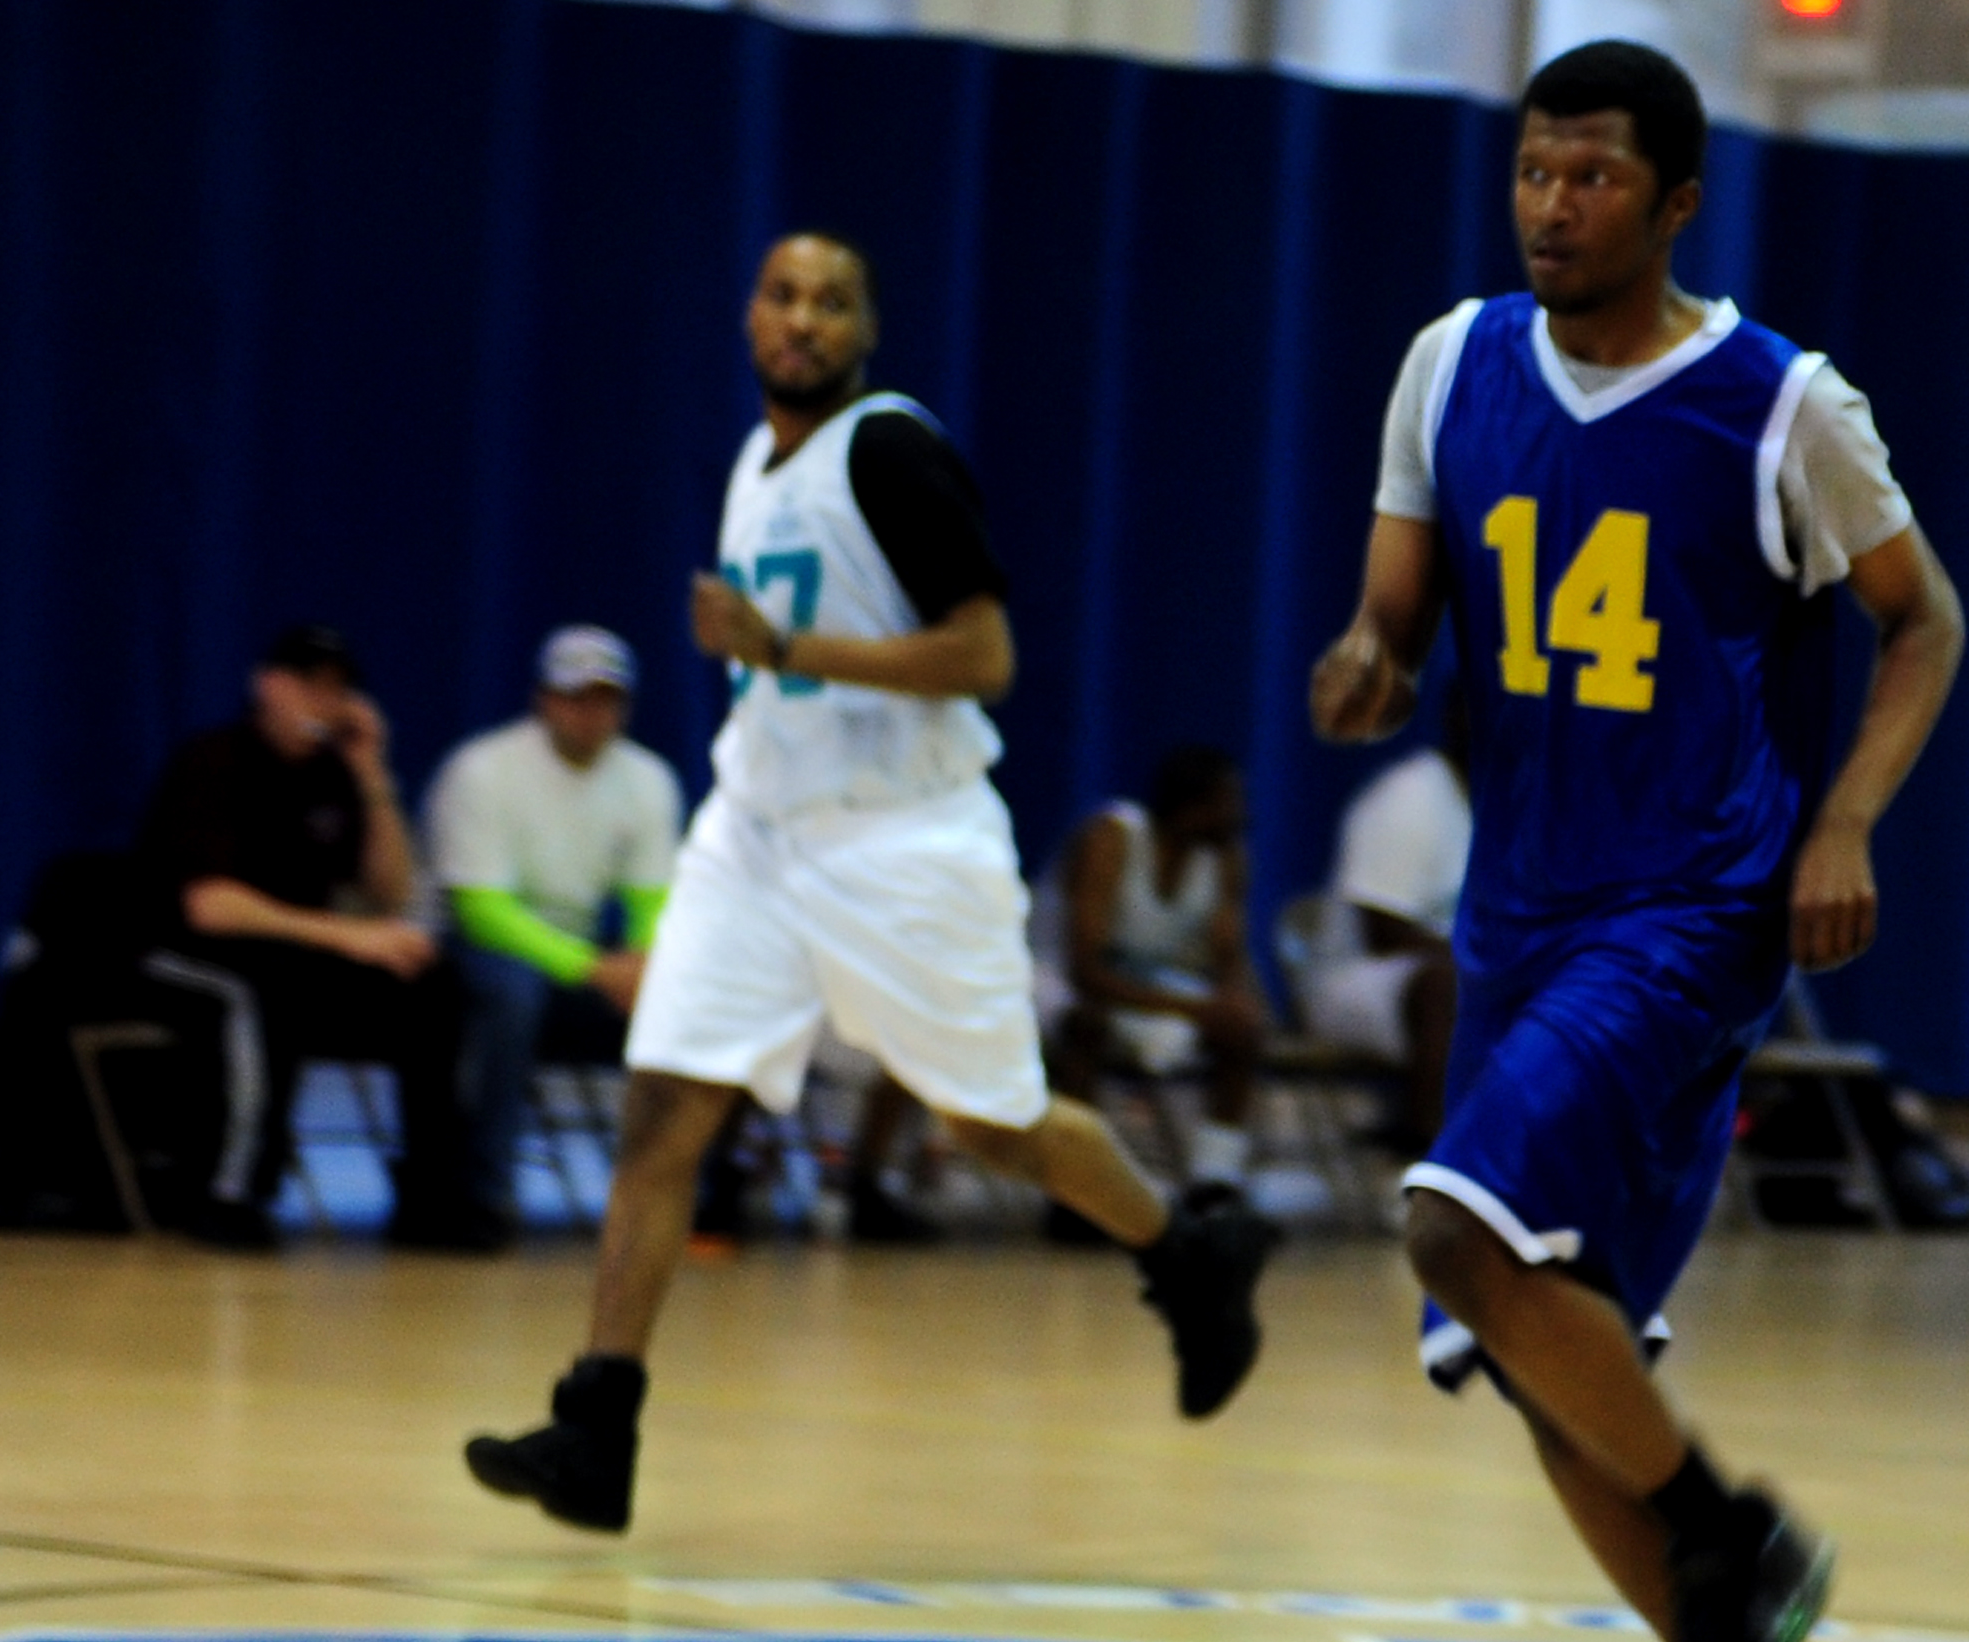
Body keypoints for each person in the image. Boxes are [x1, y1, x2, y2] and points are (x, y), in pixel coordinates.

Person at [1309, 40, 1967, 1642]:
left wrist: (1843, 822)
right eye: (1530, 172)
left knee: (1454, 1234)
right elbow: (1395, 611)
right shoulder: (1449, 365)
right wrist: (1367, 660)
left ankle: (1731, 1539)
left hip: (1689, 906)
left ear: (1673, 200)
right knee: (1540, 1351)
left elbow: (1923, 623)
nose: (1549, 205)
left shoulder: (1779, 405)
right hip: (1516, 912)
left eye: (1590, 179)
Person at [463, 231, 1280, 1535]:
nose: (804, 319)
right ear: (749, 316)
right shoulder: (751, 461)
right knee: (664, 1112)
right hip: (759, 832)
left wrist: (792, 645)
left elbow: (985, 654)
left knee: (993, 1128)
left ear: (866, 330)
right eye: (784, 295)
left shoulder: (890, 450)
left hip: (902, 843)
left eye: (832, 302)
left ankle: (1188, 1253)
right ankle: (595, 1428)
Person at [136, 624, 490, 1250]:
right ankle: (234, 1192)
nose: (320, 702)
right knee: (257, 995)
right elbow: (211, 907)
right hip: (177, 953)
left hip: (298, 952)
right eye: (306, 685)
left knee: (430, 985)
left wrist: (373, 774)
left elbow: (391, 894)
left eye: (335, 690)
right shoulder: (214, 761)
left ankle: (434, 1195)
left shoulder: (336, 775)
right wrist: (346, 936)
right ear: (266, 685)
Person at [425, 626, 683, 1228]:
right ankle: (485, 1194)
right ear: (544, 700)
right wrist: (595, 968)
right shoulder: (483, 770)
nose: (591, 714)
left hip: (583, 951)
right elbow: (479, 910)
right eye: (575, 697)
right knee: (515, 996)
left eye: (606, 699)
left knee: (689, 998)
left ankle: (677, 1195)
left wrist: (644, 962)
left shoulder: (648, 780)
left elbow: (652, 897)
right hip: (481, 947)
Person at [1035, 745, 1266, 1205]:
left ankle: (1214, 1181)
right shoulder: (1111, 838)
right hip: (1054, 975)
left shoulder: (1224, 859)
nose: (1238, 815)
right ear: (1190, 807)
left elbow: (1228, 967)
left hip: (1146, 981)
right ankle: (1070, 1193)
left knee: (1241, 1028)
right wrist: (1198, 1007)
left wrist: (1233, 1003)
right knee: (1086, 1025)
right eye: (1227, 803)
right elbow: (1085, 971)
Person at [1303, 738, 1474, 1154]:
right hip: (1355, 977)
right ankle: (1427, 1157)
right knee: (1443, 986)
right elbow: (1384, 934)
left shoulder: (1512, 801)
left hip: (1462, 978)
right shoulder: (1409, 796)